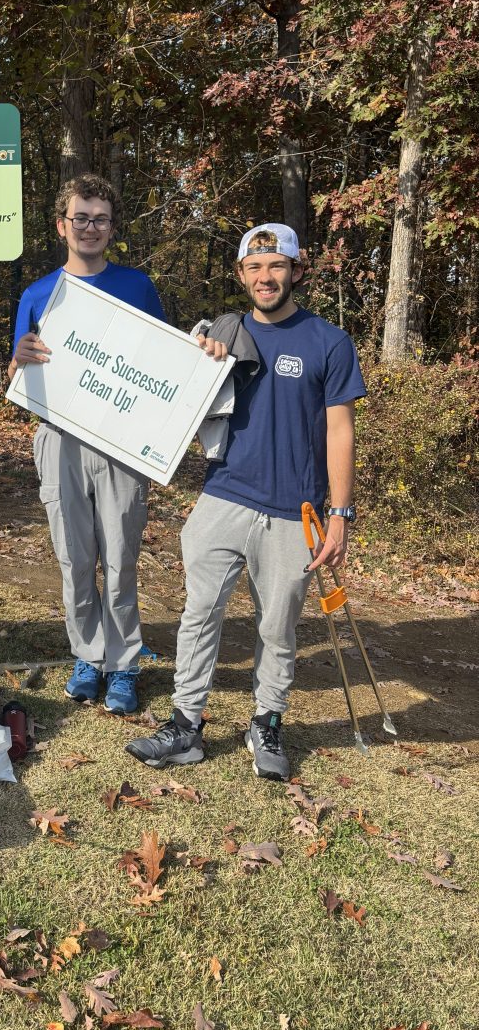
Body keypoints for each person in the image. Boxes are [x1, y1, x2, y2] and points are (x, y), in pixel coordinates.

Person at [126, 223, 366, 780]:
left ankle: (268, 721)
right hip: (224, 496)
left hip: (296, 512)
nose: (266, 277)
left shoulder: (329, 342)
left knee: (278, 626)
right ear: (241, 275)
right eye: (254, 268)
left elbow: (340, 433)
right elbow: (168, 383)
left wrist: (340, 514)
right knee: (198, 614)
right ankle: (186, 726)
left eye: (276, 266)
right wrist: (199, 345)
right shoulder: (221, 336)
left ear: (297, 271)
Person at [7, 173, 167, 716]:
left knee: (120, 557)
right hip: (60, 438)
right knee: (74, 556)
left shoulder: (137, 287)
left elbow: (163, 368)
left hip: (120, 442)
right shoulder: (37, 294)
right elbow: (20, 376)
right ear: (62, 225)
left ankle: (123, 665)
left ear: (112, 228)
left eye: (100, 218)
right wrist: (19, 357)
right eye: (81, 218)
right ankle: (87, 656)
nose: (90, 227)